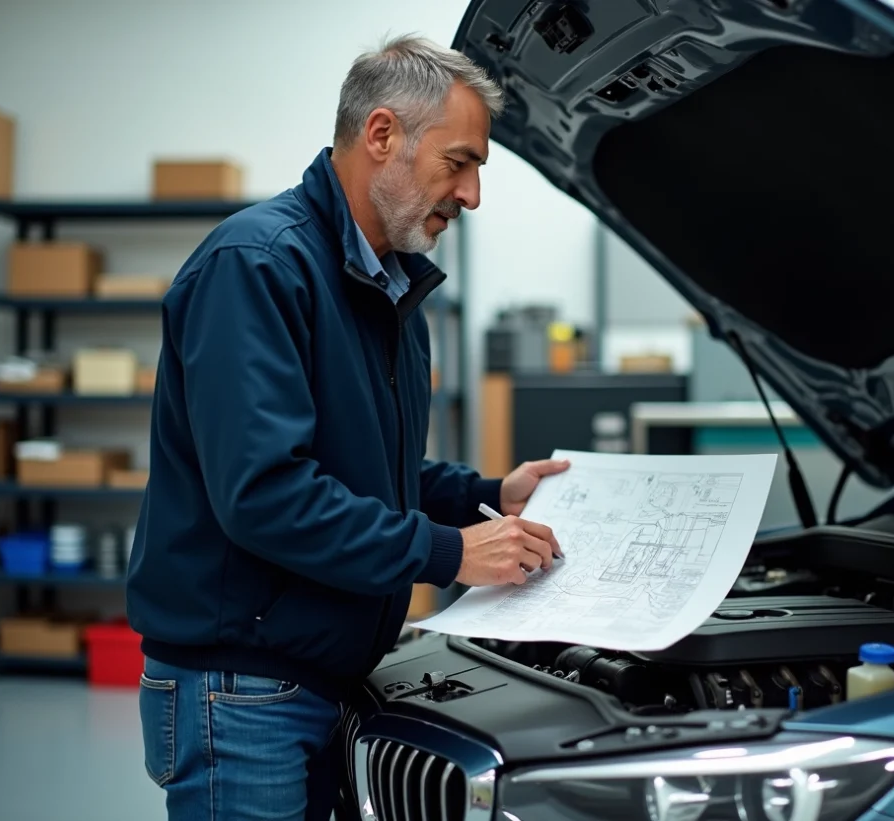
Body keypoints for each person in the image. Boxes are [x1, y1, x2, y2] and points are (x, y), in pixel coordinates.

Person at [125, 35, 568, 821]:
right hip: (243, 689)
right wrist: (450, 552)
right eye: (459, 163)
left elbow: (371, 471)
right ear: (383, 135)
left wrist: (490, 494)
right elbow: (268, 494)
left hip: (325, 677)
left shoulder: (388, 286)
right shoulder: (257, 267)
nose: (471, 196)